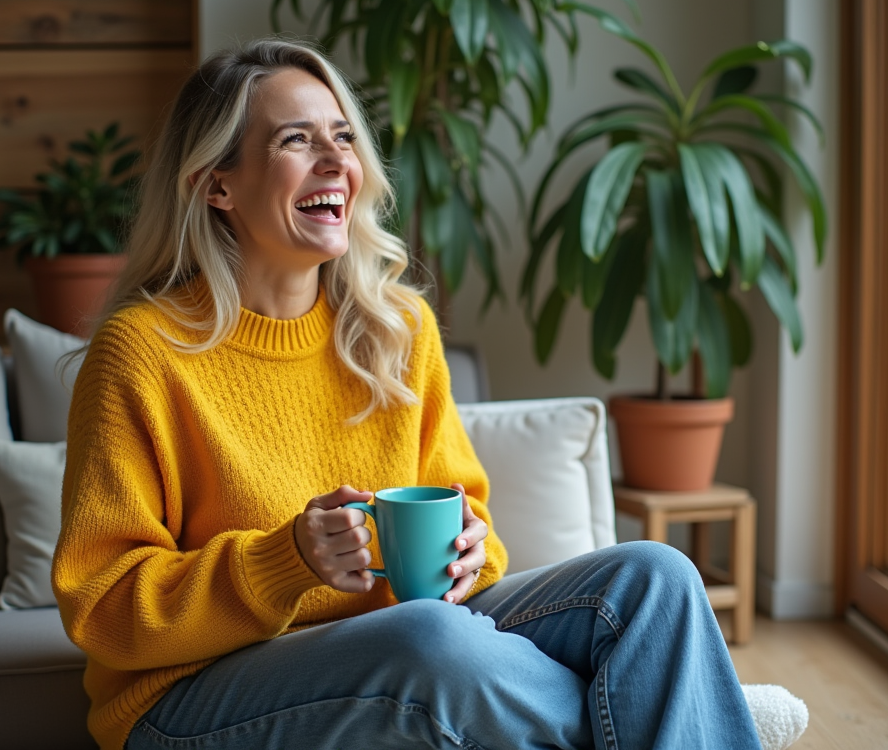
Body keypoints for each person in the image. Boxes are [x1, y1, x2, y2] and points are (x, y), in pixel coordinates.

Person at [51, 38, 766, 750]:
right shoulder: (142, 353)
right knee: (434, 637)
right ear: (217, 184)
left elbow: (464, 514)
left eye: (343, 138)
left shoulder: (394, 328)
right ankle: (670, 716)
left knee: (656, 577)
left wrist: (470, 551)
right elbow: (102, 608)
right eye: (296, 141)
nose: (337, 161)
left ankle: (669, 717)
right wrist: (284, 560)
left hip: (401, 647)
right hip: (189, 698)